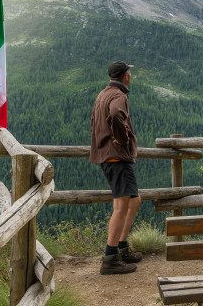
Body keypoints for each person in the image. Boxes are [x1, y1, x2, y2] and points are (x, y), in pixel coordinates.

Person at [90, 60, 143, 274]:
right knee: (122, 207)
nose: (131, 74)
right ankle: (110, 258)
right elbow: (114, 115)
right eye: (129, 71)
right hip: (116, 158)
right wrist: (122, 140)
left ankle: (121, 247)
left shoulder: (104, 93)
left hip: (108, 156)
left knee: (134, 200)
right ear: (125, 75)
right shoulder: (119, 96)